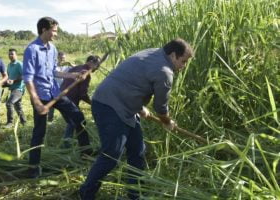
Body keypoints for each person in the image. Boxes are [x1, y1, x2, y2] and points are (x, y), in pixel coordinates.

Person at [79, 38, 194, 199]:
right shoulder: (165, 72)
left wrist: (139, 107)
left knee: (137, 151)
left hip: (123, 105)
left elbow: (131, 80)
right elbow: (161, 108)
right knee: (111, 155)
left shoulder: (152, 51)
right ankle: (86, 193)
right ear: (173, 55)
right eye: (183, 61)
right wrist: (167, 122)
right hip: (109, 106)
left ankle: (135, 193)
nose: (183, 66)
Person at [23, 16, 90, 178]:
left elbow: (54, 71)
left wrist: (73, 75)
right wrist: (36, 101)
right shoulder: (32, 50)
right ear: (44, 30)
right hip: (41, 96)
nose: (56, 34)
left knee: (79, 118)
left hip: (55, 92)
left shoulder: (52, 48)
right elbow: (28, 78)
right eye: (54, 31)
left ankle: (86, 154)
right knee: (39, 131)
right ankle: (33, 167)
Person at [60, 55, 100, 147]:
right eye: (97, 64)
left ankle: (68, 142)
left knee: (72, 121)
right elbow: (82, 94)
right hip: (70, 99)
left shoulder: (76, 67)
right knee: (78, 121)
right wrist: (92, 103)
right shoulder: (85, 74)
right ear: (90, 62)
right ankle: (70, 144)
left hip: (61, 95)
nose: (97, 68)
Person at [47, 51, 73, 122]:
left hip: (64, 89)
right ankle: (50, 119)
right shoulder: (54, 66)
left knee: (64, 105)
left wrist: (71, 64)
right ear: (57, 58)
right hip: (54, 88)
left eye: (63, 58)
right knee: (52, 104)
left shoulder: (67, 66)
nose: (62, 59)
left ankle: (68, 120)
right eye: (61, 58)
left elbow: (76, 69)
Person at [4, 48, 26, 128]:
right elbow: (9, 77)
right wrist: (5, 83)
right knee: (18, 106)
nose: (10, 56)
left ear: (16, 55)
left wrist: (14, 80)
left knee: (9, 103)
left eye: (12, 54)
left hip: (19, 89)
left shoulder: (19, 64)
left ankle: (10, 122)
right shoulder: (9, 65)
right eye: (9, 54)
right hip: (12, 88)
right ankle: (24, 121)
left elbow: (24, 76)